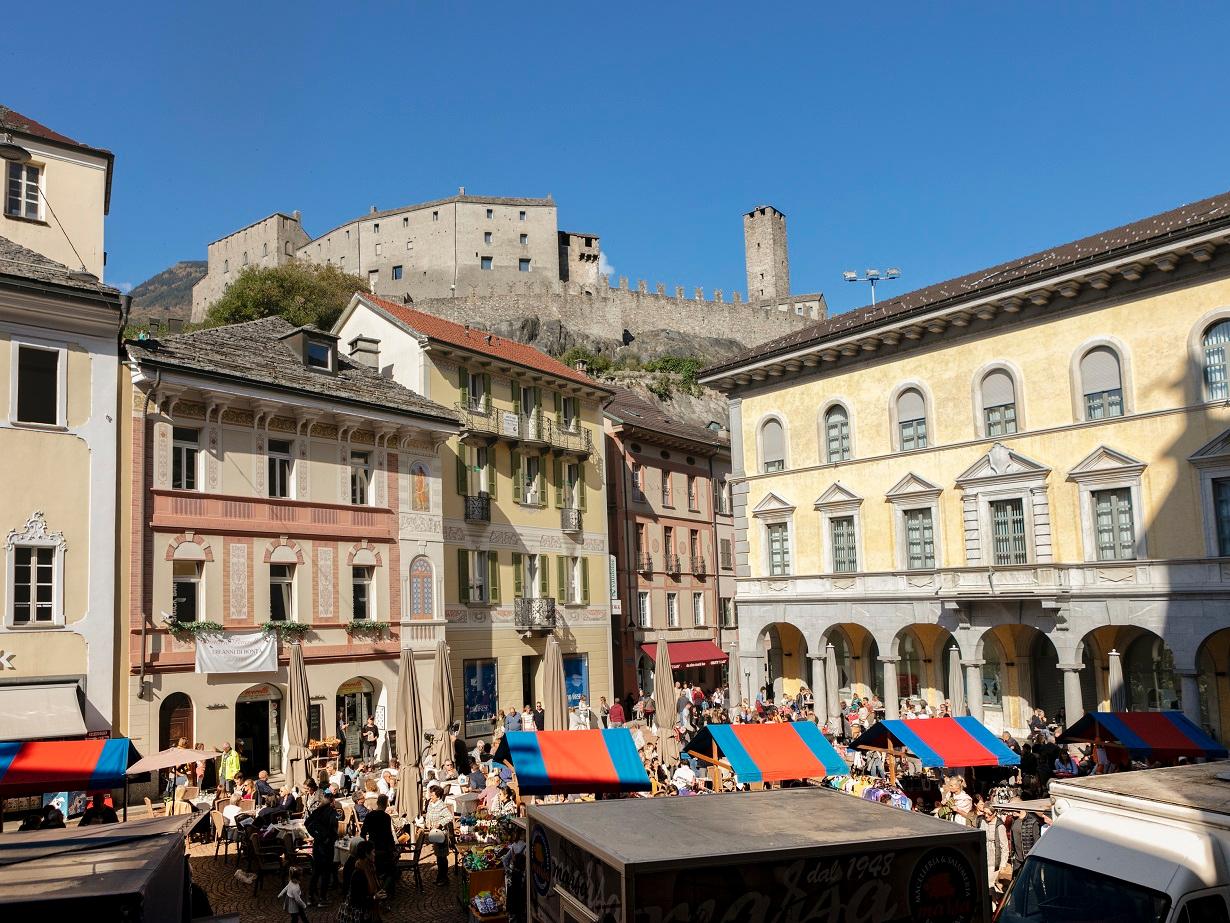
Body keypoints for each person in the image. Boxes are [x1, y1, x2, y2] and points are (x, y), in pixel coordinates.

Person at [304, 790, 340, 907]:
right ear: (332, 801)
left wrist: (316, 835)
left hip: (317, 845)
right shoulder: (332, 812)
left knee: (316, 872)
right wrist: (328, 838)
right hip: (327, 846)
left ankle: (310, 897)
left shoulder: (317, 811)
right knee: (326, 872)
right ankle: (322, 898)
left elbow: (307, 823)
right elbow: (334, 829)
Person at [361, 792, 396, 888]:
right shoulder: (386, 817)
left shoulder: (369, 816)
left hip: (373, 849)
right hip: (384, 850)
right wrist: (393, 849)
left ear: (377, 803)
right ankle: (385, 889)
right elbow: (389, 835)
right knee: (391, 871)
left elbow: (362, 833)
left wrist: (367, 848)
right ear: (385, 804)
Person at [339, 840, 380, 921]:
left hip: (370, 913)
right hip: (361, 916)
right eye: (373, 852)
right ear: (367, 854)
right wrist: (375, 897)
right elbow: (356, 899)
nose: (375, 854)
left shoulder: (370, 868)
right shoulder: (359, 873)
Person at [424, 784, 454, 885]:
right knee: (438, 857)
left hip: (441, 835)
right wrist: (427, 822)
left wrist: (440, 823)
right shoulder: (430, 804)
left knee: (442, 858)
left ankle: (444, 878)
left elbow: (449, 817)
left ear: (438, 796)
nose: (430, 797)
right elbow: (428, 815)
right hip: (434, 834)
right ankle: (439, 877)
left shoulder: (441, 805)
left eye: (432, 795)